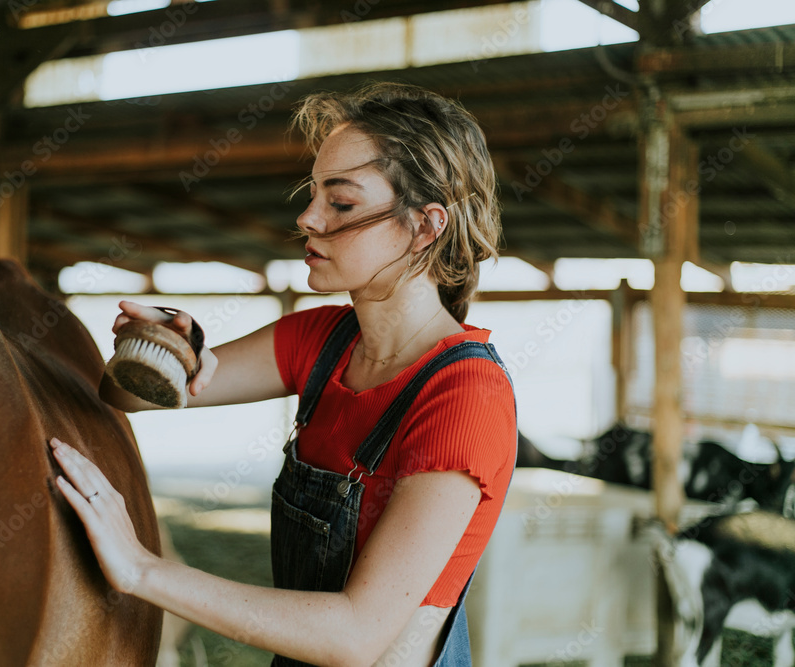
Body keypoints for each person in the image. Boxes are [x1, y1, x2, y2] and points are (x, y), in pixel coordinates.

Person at [49, 82, 517, 667]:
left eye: (340, 203)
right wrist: (165, 346)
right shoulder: (320, 340)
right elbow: (125, 397)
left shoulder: (465, 396)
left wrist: (143, 569)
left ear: (426, 227)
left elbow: (355, 635)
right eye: (313, 194)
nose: (307, 218)